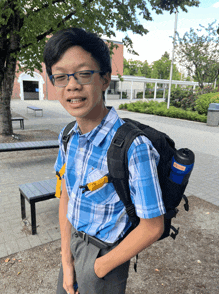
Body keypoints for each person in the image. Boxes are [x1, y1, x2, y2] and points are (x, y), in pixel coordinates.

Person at [43, 28, 165, 294]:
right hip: (72, 241)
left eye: (84, 73)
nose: (72, 85)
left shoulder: (134, 148)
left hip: (105, 256)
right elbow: (66, 193)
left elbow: (153, 226)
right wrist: (66, 258)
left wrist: (98, 267)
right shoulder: (68, 136)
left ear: (106, 79)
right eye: (61, 77)